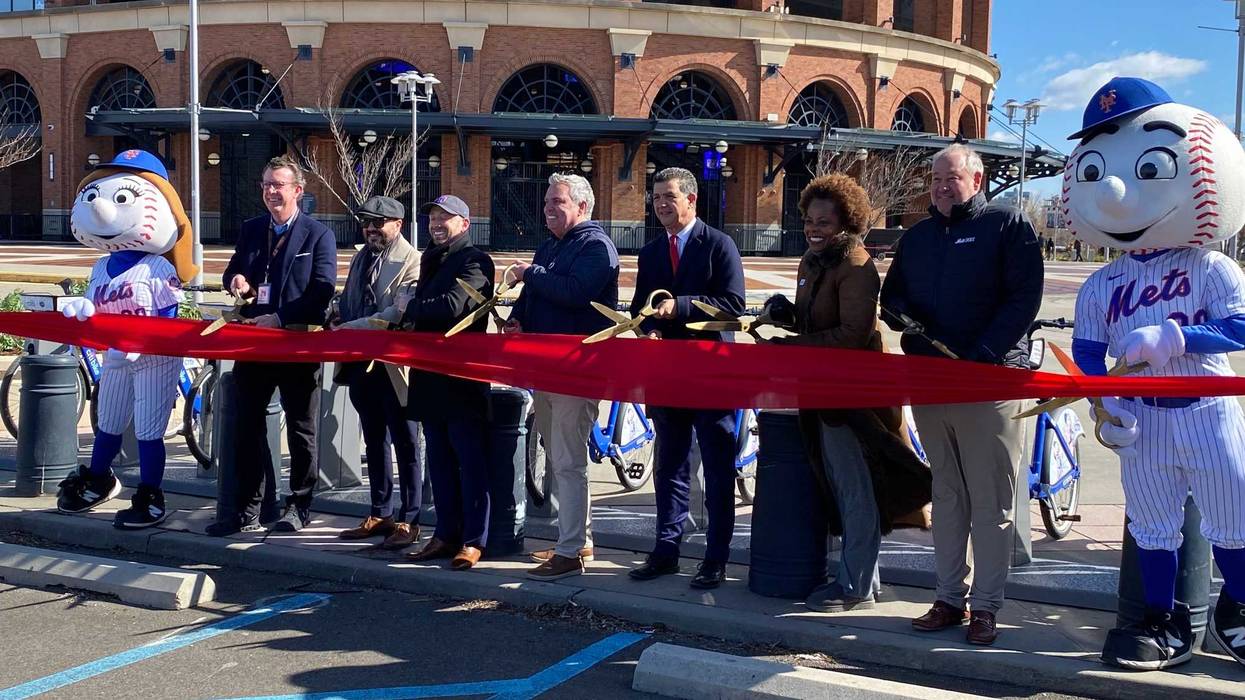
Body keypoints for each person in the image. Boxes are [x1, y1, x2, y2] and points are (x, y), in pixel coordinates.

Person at [1064, 77, 1245, 671]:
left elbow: (1243, 328)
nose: (1114, 191)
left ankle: (1239, 612)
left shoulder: (1211, 266)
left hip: (1207, 407)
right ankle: (1163, 620)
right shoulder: (1102, 284)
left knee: (1234, 521)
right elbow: (1089, 352)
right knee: (1152, 527)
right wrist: (1104, 404)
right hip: (1142, 419)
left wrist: (1176, 338)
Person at [879, 143, 1043, 645]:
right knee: (947, 497)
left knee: (991, 502)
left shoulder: (1008, 227)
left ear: (977, 179)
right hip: (933, 383)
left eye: (951, 179)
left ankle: (986, 607)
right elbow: (894, 296)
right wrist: (902, 320)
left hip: (988, 383)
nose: (941, 187)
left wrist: (985, 353)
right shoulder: (918, 238)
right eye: (935, 180)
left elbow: (1023, 297)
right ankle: (949, 598)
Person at [767, 173, 932, 611]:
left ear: (847, 222)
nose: (814, 229)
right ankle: (863, 580)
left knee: (857, 487)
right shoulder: (812, 261)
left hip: (854, 397)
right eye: (809, 221)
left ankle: (855, 587)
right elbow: (816, 323)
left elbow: (853, 335)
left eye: (824, 222)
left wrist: (792, 346)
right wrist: (785, 315)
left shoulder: (857, 265)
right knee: (840, 486)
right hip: (819, 390)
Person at [54, 149, 198, 529]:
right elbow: (95, 307)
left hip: (155, 358)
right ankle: (98, 478)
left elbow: (168, 318)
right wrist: (81, 311)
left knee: (150, 430)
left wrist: (144, 343)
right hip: (116, 356)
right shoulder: (101, 265)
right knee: (109, 422)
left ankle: (151, 494)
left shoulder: (158, 266)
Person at [624, 167, 744, 590]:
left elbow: (734, 305)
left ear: (691, 200)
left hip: (711, 373)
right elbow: (641, 308)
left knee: (716, 466)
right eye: (656, 197)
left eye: (668, 196)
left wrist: (684, 307)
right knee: (670, 466)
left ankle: (715, 557)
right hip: (666, 375)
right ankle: (666, 548)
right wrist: (648, 329)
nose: (660, 204)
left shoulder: (719, 245)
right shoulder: (651, 252)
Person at [209, 155, 337, 536]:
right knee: (246, 425)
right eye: (266, 184)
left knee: (300, 428)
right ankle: (249, 509)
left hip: (296, 344)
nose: (270, 191)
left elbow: (322, 292)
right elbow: (234, 270)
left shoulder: (318, 234)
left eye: (278, 184)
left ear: (297, 190)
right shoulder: (251, 230)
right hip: (256, 344)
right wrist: (236, 282)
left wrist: (280, 318)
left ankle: (299, 505)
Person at [506, 173, 620, 580]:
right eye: (547, 202)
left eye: (558, 202)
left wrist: (529, 273)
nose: (549, 209)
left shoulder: (596, 246)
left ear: (582, 207)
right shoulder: (551, 245)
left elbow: (575, 293)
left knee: (569, 462)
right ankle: (577, 538)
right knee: (557, 458)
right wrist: (516, 320)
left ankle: (571, 552)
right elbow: (532, 296)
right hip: (546, 371)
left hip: (578, 372)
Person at [402, 194, 496, 570]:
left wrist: (408, 308)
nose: (437, 223)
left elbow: (454, 306)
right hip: (428, 374)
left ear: (465, 223)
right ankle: (444, 533)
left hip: (462, 376)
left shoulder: (475, 260)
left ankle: (474, 540)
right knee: (438, 460)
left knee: (470, 460)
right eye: (433, 217)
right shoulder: (430, 257)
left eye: (446, 217)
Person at [331, 195, 423, 550]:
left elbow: (396, 316)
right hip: (359, 363)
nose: (370, 228)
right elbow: (349, 298)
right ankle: (380, 512)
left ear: (398, 225)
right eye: (366, 221)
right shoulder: (361, 256)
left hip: (394, 366)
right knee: (373, 440)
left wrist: (350, 327)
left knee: (406, 443)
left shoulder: (413, 261)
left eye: (378, 222)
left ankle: (410, 519)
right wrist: (336, 313)